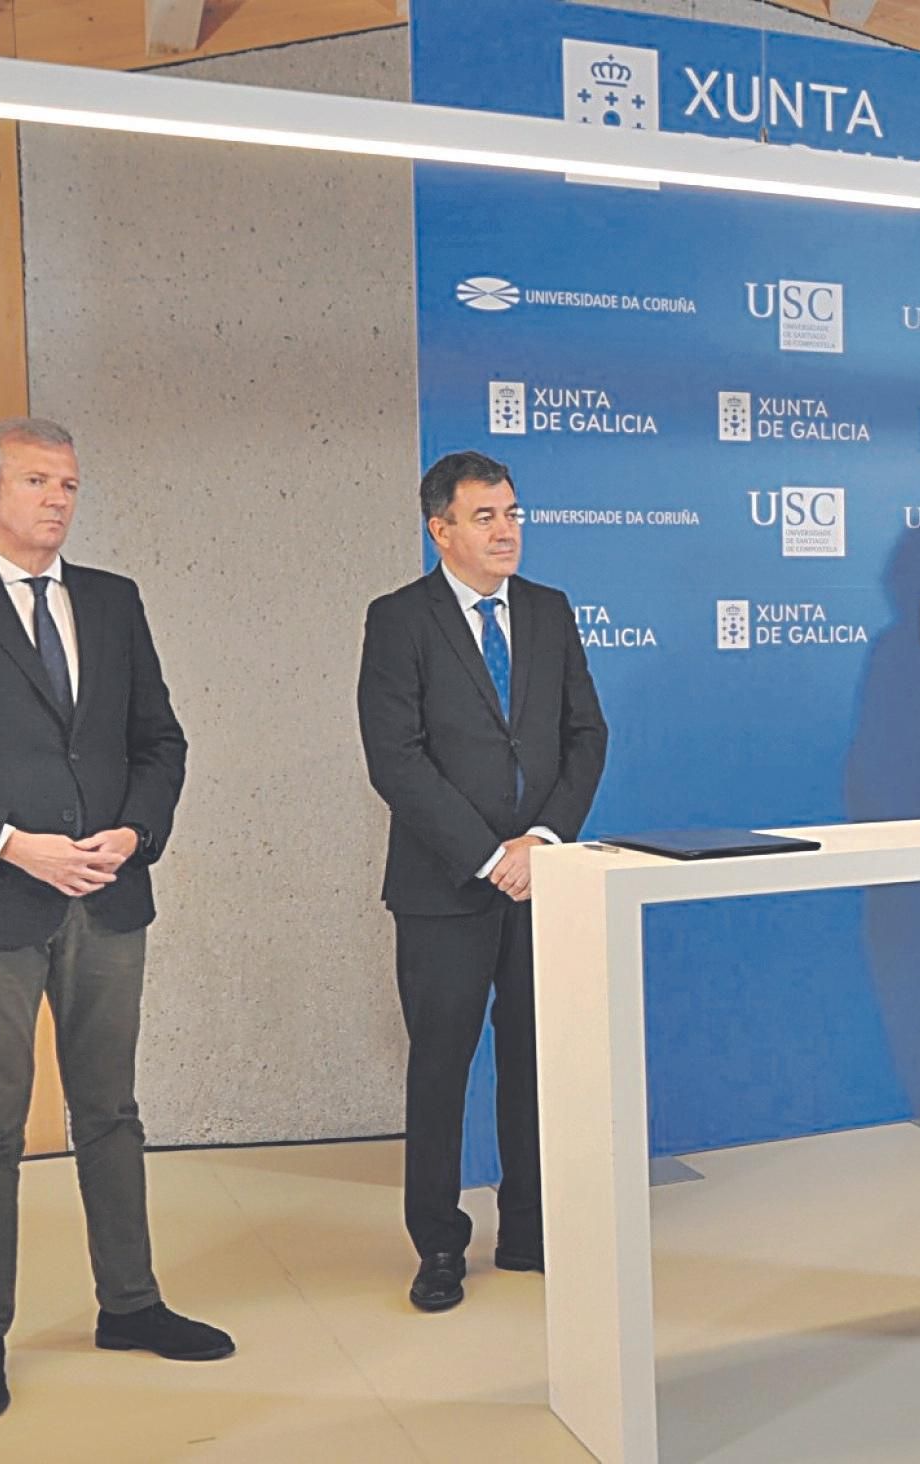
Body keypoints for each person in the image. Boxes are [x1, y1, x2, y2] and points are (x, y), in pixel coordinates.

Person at [0, 417, 232, 1423]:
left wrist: (135, 833)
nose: (57, 499)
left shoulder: (113, 602)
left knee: (110, 1112)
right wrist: (11, 843)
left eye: (68, 483)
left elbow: (161, 741)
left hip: (106, 901)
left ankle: (132, 1304)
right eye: (34, 481)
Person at [357, 450, 608, 1312]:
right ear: (441, 530)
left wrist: (539, 840)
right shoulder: (398, 620)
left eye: (513, 513)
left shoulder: (548, 611)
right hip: (444, 888)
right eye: (485, 517)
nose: (507, 531)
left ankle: (530, 1225)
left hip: (545, 880)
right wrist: (487, 854)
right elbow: (395, 757)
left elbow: (587, 734)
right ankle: (437, 1242)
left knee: (534, 1059)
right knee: (440, 1067)